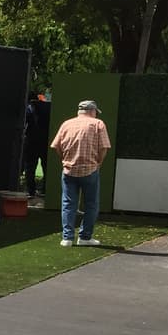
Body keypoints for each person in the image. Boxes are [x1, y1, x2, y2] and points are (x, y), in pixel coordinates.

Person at [50, 100, 111, 247]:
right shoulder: (98, 124)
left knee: (68, 204)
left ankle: (67, 238)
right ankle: (84, 237)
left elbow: (56, 146)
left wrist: (64, 159)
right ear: (92, 111)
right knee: (91, 204)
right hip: (90, 169)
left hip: (69, 169)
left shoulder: (67, 124)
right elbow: (104, 147)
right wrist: (98, 163)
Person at [23, 92, 51, 198]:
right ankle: (44, 190)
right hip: (46, 141)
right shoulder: (48, 107)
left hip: (31, 141)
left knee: (30, 167)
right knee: (46, 166)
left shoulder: (29, 108)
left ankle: (31, 191)